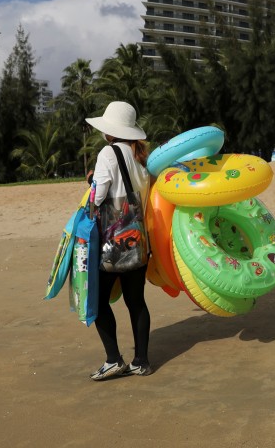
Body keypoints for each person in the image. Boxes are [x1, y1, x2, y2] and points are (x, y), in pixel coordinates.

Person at [84, 101, 153, 380]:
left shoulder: (108, 153)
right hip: (139, 239)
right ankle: (142, 362)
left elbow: (99, 196)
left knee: (98, 302)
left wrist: (90, 182)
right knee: (136, 301)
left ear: (111, 131)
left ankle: (114, 359)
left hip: (114, 242)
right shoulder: (140, 157)